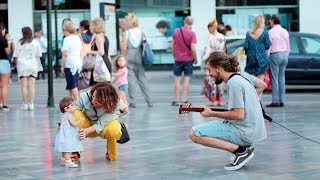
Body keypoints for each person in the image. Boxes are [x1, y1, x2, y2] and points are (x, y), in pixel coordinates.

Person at [189, 51, 267, 171]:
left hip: (244, 133)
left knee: (194, 134)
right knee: (222, 123)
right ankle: (244, 147)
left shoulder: (233, 83)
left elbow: (238, 115)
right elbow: (262, 85)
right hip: (253, 130)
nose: (209, 74)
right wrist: (248, 101)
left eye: (209, 70)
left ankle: (241, 151)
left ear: (219, 68)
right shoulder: (241, 75)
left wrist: (211, 113)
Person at [73, 82, 127, 161]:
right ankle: (75, 152)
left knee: (114, 129)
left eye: (98, 101)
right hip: (87, 125)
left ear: (107, 102)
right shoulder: (85, 96)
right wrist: (65, 123)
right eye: (93, 97)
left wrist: (86, 131)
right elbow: (72, 110)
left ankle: (111, 153)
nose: (93, 101)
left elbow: (101, 123)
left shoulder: (115, 104)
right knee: (74, 114)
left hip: (104, 127)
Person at [120, 12, 153, 108]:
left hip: (129, 57)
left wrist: (122, 57)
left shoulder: (127, 33)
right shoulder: (141, 32)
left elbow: (124, 47)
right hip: (139, 56)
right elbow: (145, 46)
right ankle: (149, 101)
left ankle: (133, 102)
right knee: (142, 79)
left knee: (131, 80)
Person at [170, 16, 197, 106]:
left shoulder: (176, 31)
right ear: (192, 24)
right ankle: (184, 100)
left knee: (177, 79)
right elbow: (193, 48)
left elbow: (172, 45)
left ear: (184, 21)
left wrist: (174, 55)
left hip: (178, 59)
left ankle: (175, 99)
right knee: (186, 79)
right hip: (188, 59)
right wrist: (195, 58)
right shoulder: (192, 34)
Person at [13, 27, 42, 111]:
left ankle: (25, 105)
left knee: (24, 87)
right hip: (32, 65)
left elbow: (16, 56)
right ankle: (32, 105)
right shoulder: (35, 42)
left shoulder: (20, 43)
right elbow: (39, 55)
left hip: (22, 66)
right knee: (32, 86)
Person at [244, 15, 271, 96]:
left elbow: (246, 46)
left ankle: (251, 100)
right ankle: (258, 103)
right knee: (260, 83)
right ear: (261, 22)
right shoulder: (265, 32)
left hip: (251, 60)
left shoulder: (248, 33)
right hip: (262, 59)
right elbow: (267, 45)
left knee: (251, 83)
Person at [267, 14, 290, 107]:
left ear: (272, 21)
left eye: (270, 21)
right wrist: (286, 55)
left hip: (275, 54)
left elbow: (269, 47)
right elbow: (288, 46)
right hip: (284, 54)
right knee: (282, 78)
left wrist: (267, 58)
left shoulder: (271, 32)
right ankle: (282, 100)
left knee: (274, 79)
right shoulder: (285, 31)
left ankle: (275, 101)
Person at [201, 19, 226, 106]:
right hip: (220, 61)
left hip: (211, 61)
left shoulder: (210, 38)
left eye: (209, 28)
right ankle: (220, 100)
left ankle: (213, 100)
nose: (208, 30)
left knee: (211, 80)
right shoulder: (222, 37)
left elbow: (206, 51)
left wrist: (204, 60)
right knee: (220, 80)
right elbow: (223, 50)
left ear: (212, 27)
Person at [54, 97, 84, 168]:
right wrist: (80, 120)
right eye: (73, 105)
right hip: (68, 135)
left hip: (65, 135)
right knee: (68, 148)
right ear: (66, 108)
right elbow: (74, 124)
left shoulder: (64, 115)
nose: (75, 107)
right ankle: (68, 161)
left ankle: (63, 160)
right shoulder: (69, 115)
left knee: (64, 148)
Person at [60, 20, 82, 100]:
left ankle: (77, 102)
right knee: (72, 84)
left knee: (72, 85)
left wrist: (62, 66)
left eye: (63, 30)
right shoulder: (77, 38)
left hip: (70, 63)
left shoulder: (67, 39)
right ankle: (72, 101)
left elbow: (65, 54)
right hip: (77, 62)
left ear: (66, 30)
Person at [89, 18, 112, 86]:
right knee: (105, 87)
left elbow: (101, 52)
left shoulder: (98, 37)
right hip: (106, 62)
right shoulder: (105, 37)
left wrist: (88, 51)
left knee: (96, 87)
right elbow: (107, 53)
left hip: (100, 64)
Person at [0, 23, 11, 111]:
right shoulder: (3, 40)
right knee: (4, 86)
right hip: (3, 62)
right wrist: (8, 41)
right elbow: (8, 52)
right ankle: (4, 105)